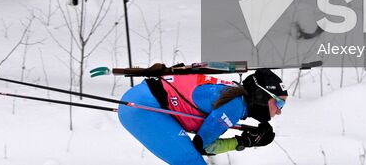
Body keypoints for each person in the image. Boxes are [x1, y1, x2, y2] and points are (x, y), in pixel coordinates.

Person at [118, 68, 288, 164]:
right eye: (279, 104)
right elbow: (203, 145)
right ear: (262, 96)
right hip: (143, 107)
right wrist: (242, 142)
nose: (279, 111)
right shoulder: (234, 105)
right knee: (192, 161)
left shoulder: (235, 98)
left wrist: (245, 141)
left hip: (141, 99)